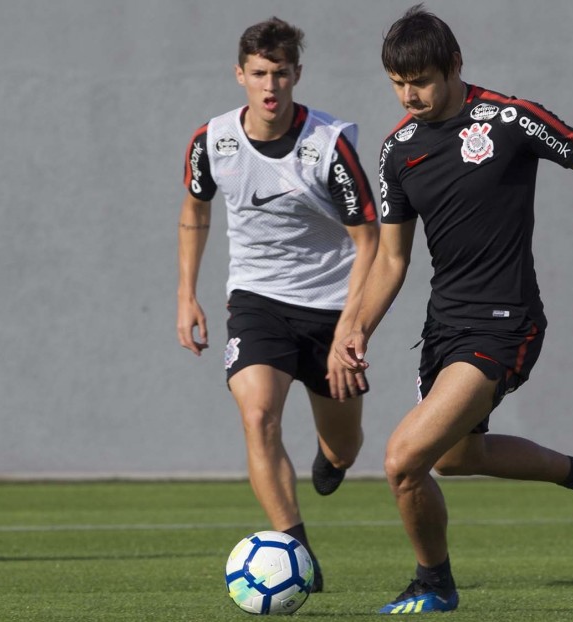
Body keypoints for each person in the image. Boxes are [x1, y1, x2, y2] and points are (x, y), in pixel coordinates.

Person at [335, 4, 573, 614]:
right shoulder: (396, 152)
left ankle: (434, 582)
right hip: (444, 330)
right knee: (458, 457)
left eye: (421, 81)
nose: (409, 95)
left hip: (506, 323)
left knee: (404, 461)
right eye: (397, 84)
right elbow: (390, 262)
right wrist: (354, 327)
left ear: (455, 65)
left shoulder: (511, 118)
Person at [176, 17, 379, 593]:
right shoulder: (210, 141)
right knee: (258, 414)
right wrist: (186, 295)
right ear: (240, 75)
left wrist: (350, 328)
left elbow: (370, 241)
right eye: (259, 73)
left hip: (332, 307)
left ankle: (333, 460)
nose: (271, 86)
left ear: (297, 75)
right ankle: (299, 553)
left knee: (344, 442)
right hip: (257, 300)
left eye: (281, 74)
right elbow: (195, 212)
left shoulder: (330, 145)